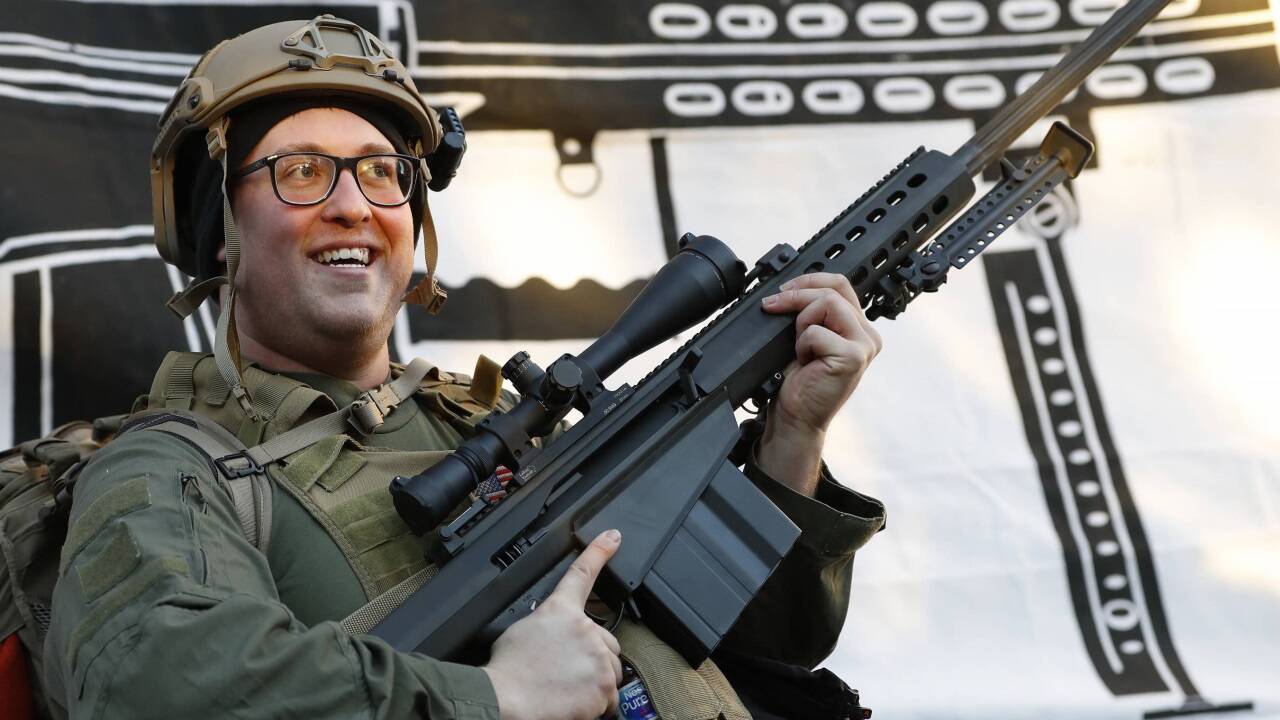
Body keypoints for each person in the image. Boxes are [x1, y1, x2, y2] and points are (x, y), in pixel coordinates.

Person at [43, 15, 887, 720]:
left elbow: (770, 647)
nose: (353, 204)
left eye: (384, 173)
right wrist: (493, 698)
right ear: (218, 229)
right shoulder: (171, 469)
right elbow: (151, 685)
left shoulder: (489, 429)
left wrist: (792, 438)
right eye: (301, 171)